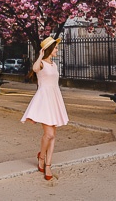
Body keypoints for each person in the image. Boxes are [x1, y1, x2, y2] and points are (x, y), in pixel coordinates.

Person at [21, 36, 68, 181]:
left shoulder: (54, 65)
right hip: (44, 100)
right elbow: (35, 69)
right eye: (55, 47)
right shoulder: (40, 64)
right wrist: (40, 55)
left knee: (53, 135)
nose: (57, 49)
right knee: (48, 134)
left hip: (54, 98)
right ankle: (41, 156)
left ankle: (48, 165)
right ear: (48, 49)